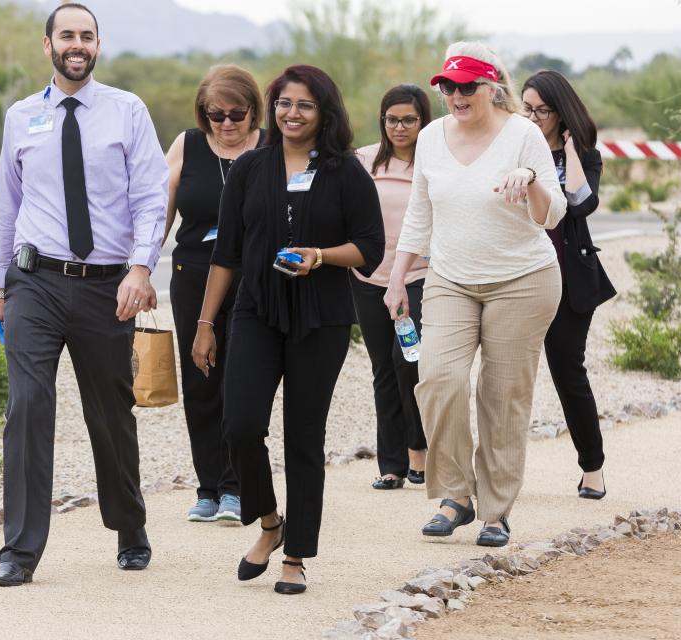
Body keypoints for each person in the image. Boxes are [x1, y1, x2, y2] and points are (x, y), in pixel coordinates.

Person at [0, 3, 169, 586]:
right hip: (33, 282)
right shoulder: (21, 116)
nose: (78, 44)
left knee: (110, 413)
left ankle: (129, 524)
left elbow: (150, 199)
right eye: (67, 35)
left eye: (87, 36)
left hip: (106, 287)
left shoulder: (127, 111)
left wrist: (141, 269)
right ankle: (19, 550)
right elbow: (6, 208)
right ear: (48, 46)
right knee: (28, 408)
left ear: (97, 45)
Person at [192, 65, 384, 594]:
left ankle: (296, 555)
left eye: (303, 104)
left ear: (325, 112)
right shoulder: (252, 168)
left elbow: (371, 248)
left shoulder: (346, 172)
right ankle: (270, 523)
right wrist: (206, 324)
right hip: (255, 310)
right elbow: (226, 254)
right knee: (240, 424)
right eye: (283, 103)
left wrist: (320, 255)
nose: (291, 113)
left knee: (304, 436)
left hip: (321, 318)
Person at [384, 42, 567, 548]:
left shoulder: (523, 133)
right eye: (448, 86)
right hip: (450, 278)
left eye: (468, 86)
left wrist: (529, 178)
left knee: (501, 396)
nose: (456, 95)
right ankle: (455, 496)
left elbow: (551, 215)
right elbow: (420, 212)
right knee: (438, 379)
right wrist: (398, 277)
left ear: (492, 86)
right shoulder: (429, 139)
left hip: (523, 280)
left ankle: (495, 510)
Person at [163, 65, 264, 523]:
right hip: (193, 274)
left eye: (236, 114)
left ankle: (236, 485)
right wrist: (138, 269)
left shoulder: (271, 146)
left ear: (253, 110)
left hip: (253, 279)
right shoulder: (187, 144)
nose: (225, 123)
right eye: (214, 114)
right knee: (201, 380)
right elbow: (158, 209)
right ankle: (208, 487)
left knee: (240, 380)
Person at [521, 70, 616, 500]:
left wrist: (572, 150)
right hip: (518, 277)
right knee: (503, 377)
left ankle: (591, 467)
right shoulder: (516, 151)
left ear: (561, 112)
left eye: (542, 109)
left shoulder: (585, 156)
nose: (534, 116)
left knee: (567, 372)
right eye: (527, 108)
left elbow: (581, 203)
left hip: (570, 280)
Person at [351, 85, 432, 491]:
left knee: (410, 362)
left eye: (409, 120)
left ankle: (420, 450)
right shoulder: (364, 160)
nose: (399, 127)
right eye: (392, 119)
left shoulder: (434, 162)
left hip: (418, 277)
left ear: (423, 121)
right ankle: (392, 465)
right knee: (382, 368)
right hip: (368, 278)